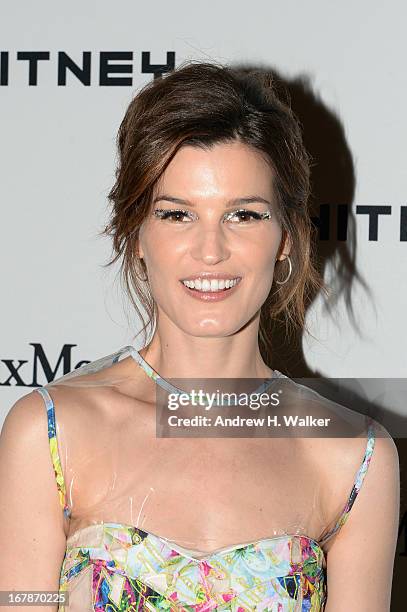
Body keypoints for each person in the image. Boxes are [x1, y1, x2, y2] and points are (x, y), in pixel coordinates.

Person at [0, 61, 400, 611]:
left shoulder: (353, 458)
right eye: (176, 214)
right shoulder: (50, 434)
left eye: (243, 215)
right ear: (136, 233)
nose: (210, 250)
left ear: (285, 238)